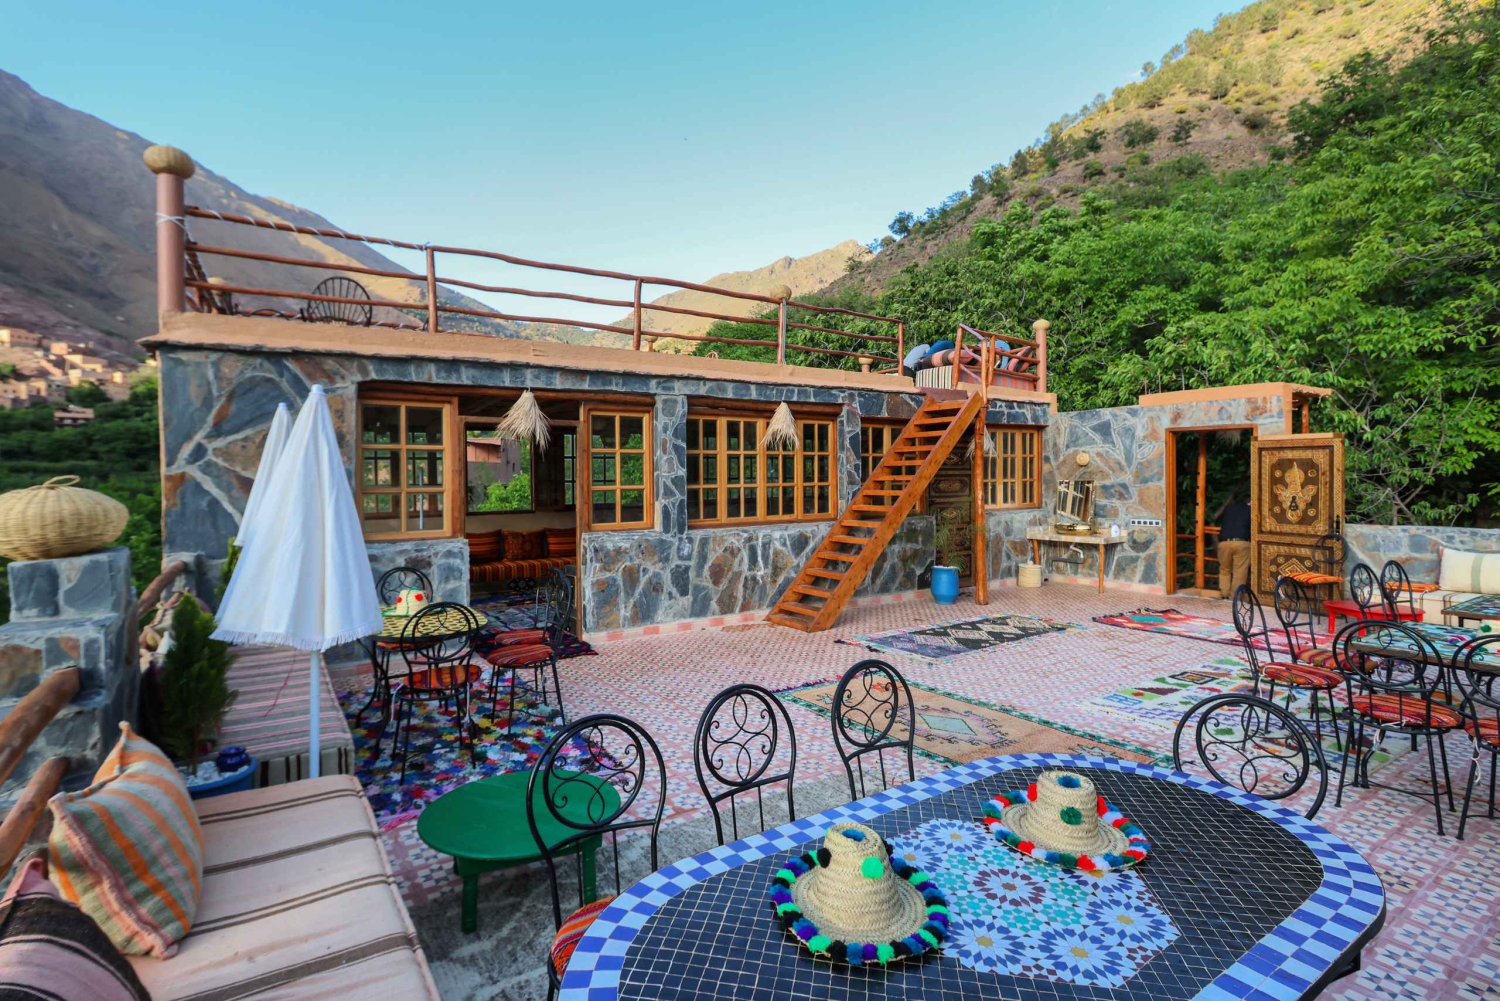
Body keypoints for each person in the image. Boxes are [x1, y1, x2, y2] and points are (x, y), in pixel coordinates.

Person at [1215, 491, 1253, 598]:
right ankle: (1234, 597)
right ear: (1251, 502)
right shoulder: (1251, 510)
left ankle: (1224, 594)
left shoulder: (1230, 508)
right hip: (1241, 543)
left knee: (1224, 570)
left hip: (1224, 543)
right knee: (1239, 572)